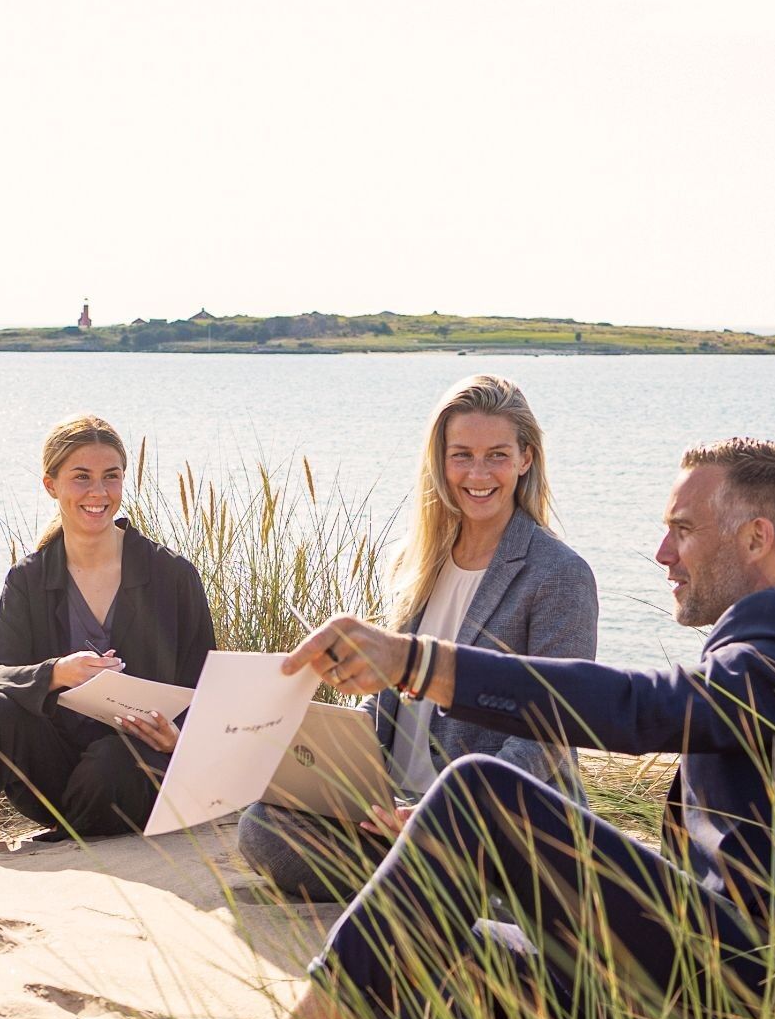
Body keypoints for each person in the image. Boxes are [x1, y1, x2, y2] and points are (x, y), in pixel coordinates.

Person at [74, 439, 775, 1019]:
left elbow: (640, 708)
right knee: (450, 941)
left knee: (482, 795)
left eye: (683, 532)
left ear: (757, 537)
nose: (662, 555)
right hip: (731, 1007)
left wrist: (420, 664)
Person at [234, 374, 598, 901]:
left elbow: (553, 731)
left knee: (456, 856)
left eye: (496, 455)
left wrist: (442, 815)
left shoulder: (559, 573)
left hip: (493, 819)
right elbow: (394, 710)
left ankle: (446, 882)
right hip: (388, 806)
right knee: (263, 827)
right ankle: (427, 886)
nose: (477, 473)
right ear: (440, 461)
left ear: (526, 459)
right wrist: (328, 753)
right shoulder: (413, 562)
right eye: (461, 455)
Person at [0, 415, 215, 855]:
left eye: (111, 477)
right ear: (51, 485)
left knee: (110, 763)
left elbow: (206, 685)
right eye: (81, 478)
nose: (98, 493)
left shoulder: (172, 576)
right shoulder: (28, 578)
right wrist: (55, 673)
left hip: (138, 764)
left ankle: (68, 842)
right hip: (54, 767)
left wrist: (179, 738)